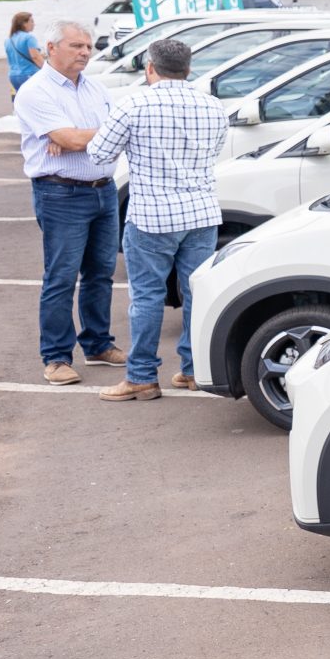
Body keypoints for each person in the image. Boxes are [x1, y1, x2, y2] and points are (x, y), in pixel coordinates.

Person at [83, 36, 224, 400]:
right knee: (196, 295)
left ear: (149, 67)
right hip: (201, 213)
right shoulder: (211, 105)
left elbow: (99, 154)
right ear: (188, 68)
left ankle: (142, 376)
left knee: (146, 296)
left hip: (152, 216)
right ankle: (193, 370)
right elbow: (216, 150)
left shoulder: (133, 104)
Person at [12, 21, 122, 384]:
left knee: (100, 274)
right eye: (76, 45)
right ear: (51, 48)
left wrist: (77, 136)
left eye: (88, 46)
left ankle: (97, 344)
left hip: (104, 189)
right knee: (61, 278)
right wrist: (74, 136)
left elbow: (115, 131)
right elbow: (72, 139)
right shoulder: (35, 91)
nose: (85, 52)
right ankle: (57, 358)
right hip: (62, 193)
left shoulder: (96, 88)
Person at [5, 11, 43, 91]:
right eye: (31, 21)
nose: (34, 24)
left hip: (13, 76)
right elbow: (35, 56)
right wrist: (47, 69)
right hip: (29, 74)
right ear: (24, 23)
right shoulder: (29, 38)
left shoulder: (8, 39)